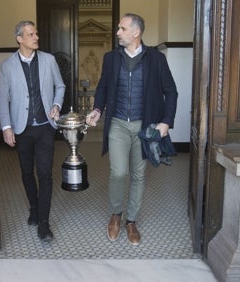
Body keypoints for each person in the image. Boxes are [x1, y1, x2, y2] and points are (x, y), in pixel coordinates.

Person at [86, 13, 178, 246]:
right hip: (117, 123)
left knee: (138, 175)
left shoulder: (156, 58)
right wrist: (98, 109)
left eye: (122, 28)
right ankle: (115, 215)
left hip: (144, 126)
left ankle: (131, 221)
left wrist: (166, 121)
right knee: (118, 172)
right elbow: (103, 87)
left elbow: (171, 91)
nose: (117, 32)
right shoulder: (111, 58)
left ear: (136, 32)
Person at [0, 20, 65, 242]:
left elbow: (60, 86)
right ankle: (34, 209)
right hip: (21, 129)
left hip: (45, 127)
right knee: (27, 173)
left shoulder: (49, 60)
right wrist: (6, 127)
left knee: (45, 174)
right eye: (31, 34)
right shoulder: (7, 66)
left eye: (36, 33)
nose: (36, 37)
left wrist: (56, 105)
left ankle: (43, 223)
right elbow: (2, 99)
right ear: (19, 39)